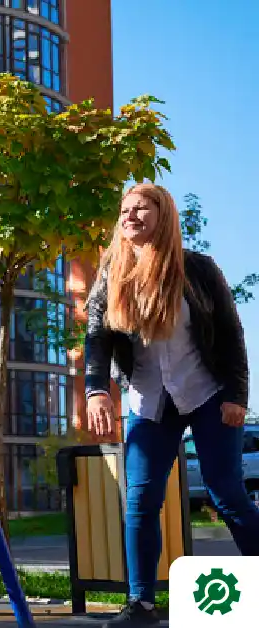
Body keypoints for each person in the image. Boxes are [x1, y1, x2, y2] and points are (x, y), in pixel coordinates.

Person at [82, 183, 259, 627]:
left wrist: (238, 395)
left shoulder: (198, 269)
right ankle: (141, 604)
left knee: (226, 492)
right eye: (124, 210)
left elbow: (232, 334)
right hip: (149, 400)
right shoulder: (112, 273)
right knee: (140, 499)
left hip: (207, 392)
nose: (130, 217)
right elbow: (98, 337)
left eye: (141, 209)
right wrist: (96, 389)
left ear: (165, 216)